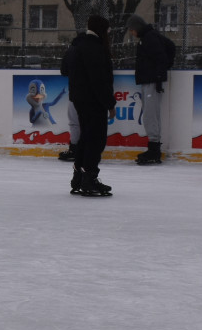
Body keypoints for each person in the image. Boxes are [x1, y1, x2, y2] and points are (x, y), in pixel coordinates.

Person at [60, 14, 116, 196]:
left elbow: (64, 70)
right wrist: (109, 103)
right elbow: (100, 80)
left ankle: (79, 176)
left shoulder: (76, 45)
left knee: (85, 137)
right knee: (96, 139)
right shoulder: (95, 48)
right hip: (93, 100)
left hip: (79, 99)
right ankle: (88, 177)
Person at [126, 14, 176, 165]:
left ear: (137, 28)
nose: (131, 33)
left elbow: (164, 54)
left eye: (131, 30)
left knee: (150, 115)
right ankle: (154, 149)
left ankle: (154, 150)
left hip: (152, 82)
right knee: (151, 114)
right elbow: (170, 46)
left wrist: (159, 75)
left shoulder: (150, 38)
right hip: (150, 80)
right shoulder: (149, 37)